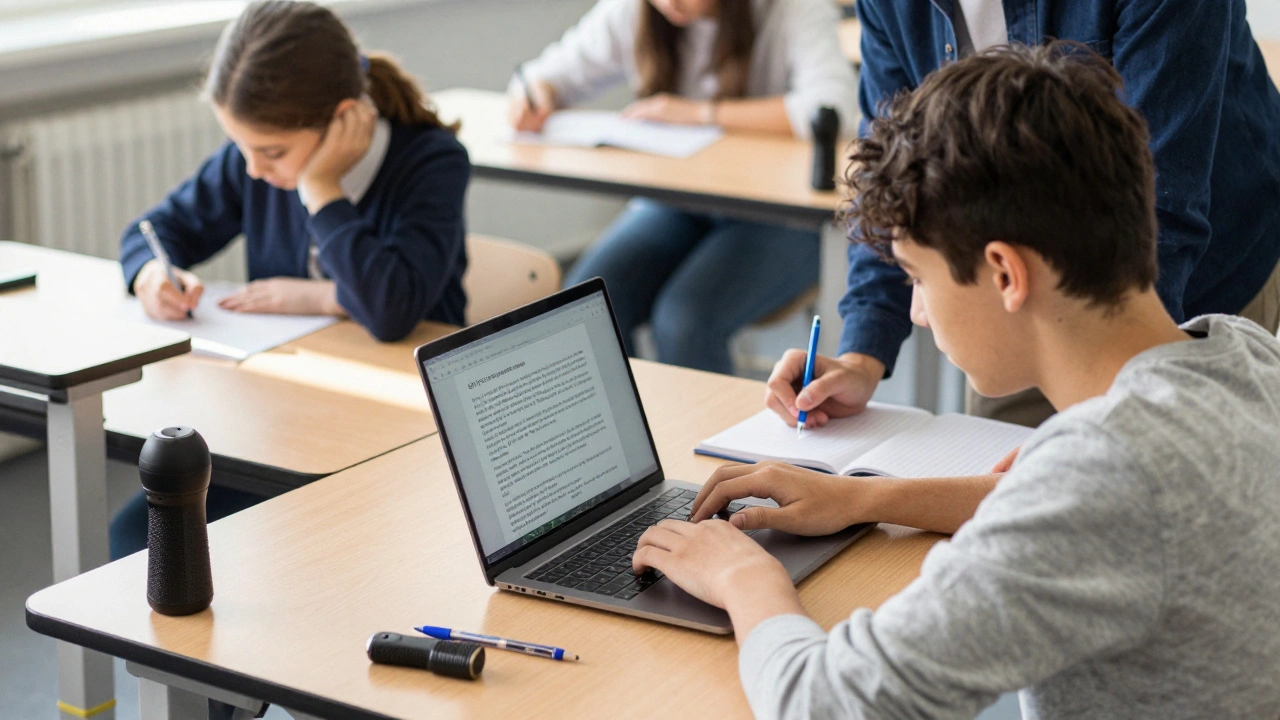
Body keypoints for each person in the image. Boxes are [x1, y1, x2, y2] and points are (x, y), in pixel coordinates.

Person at [632, 43, 1280, 718]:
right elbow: (1077, 513)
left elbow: (821, 705)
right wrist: (859, 499)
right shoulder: (1239, 355)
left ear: (1005, 274)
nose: (915, 310)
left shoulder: (1102, 479)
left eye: (917, 277)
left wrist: (743, 578)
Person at [769, 0, 1280, 429]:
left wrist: (1110, 419)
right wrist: (862, 353)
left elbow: (1162, 204)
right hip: (1011, 287)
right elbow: (896, 174)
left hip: (1199, 269)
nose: (918, 313)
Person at [110, 0, 470, 560]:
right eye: (243, 148)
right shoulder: (252, 164)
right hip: (284, 426)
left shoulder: (430, 162)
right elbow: (153, 228)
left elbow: (390, 309)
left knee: (312, 556)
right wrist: (152, 272)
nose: (253, 169)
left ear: (341, 120)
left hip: (404, 442)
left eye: (271, 152)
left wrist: (321, 190)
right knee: (139, 539)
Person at [513, 0, 857, 374]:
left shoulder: (793, 9)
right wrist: (537, 94)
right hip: (678, 206)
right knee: (585, 303)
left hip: (783, 217)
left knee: (685, 322)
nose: (669, 3)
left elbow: (831, 106)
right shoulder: (634, 11)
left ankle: (711, 433)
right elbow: (544, 76)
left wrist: (699, 115)